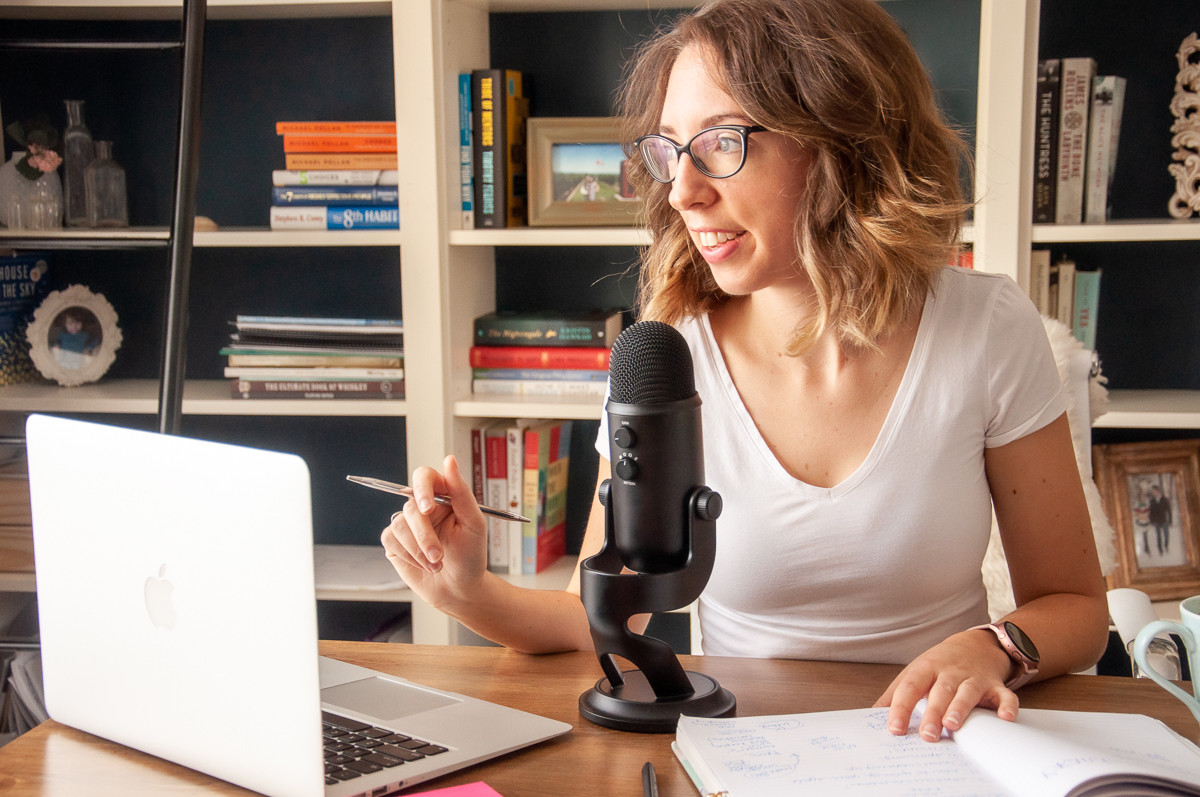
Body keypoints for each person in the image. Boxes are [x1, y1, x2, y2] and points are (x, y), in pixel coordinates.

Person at [381, 0, 1109, 745]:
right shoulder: (669, 359)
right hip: (745, 755)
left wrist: (994, 646)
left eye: (722, 143)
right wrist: (466, 590)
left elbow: (1077, 605)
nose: (682, 191)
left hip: (938, 745)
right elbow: (591, 618)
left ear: (840, 139)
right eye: (671, 150)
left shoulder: (987, 327)